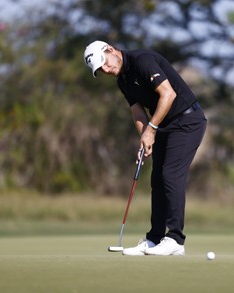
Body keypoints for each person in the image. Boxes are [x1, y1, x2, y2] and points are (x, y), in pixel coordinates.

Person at [84, 40, 207, 256]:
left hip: (188, 121)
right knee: (157, 179)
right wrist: (144, 138)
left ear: (111, 50)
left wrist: (151, 130)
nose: (105, 70)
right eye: (100, 70)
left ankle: (175, 240)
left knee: (170, 175)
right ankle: (154, 239)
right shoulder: (122, 81)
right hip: (165, 125)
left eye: (104, 62)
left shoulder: (143, 61)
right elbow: (138, 112)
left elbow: (168, 94)